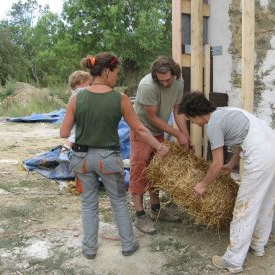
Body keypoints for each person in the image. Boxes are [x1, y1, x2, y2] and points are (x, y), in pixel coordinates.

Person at [60, 52, 169, 260]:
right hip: (108, 159)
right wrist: (160, 147)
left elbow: (64, 133)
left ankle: (89, 249)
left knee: (89, 203)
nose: (117, 77)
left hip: (82, 160)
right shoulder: (120, 99)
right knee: (118, 201)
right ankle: (128, 245)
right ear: (107, 71)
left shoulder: (76, 98)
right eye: (116, 73)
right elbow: (140, 129)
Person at [178, 92, 275, 274]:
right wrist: (232, 164)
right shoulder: (228, 111)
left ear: (196, 114)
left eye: (191, 119)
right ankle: (258, 245)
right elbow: (242, 138)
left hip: (262, 156)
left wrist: (203, 185)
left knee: (245, 206)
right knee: (267, 201)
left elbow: (216, 163)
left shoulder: (213, 124)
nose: (194, 123)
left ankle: (233, 260)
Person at [130, 56, 191, 235]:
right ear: (155, 76)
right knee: (140, 171)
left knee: (157, 170)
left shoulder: (179, 82)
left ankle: (156, 209)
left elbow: (177, 110)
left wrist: (185, 137)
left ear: (174, 74)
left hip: (159, 131)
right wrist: (176, 134)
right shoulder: (148, 85)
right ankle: (140, 215)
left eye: (168, 79)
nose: (165, 83)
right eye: (161, 80)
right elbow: (152, 117)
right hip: (142, 131)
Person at [57, 70, 92, 163]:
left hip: (77, 117)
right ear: (81, 82)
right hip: (78, 117)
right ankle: (64, 151)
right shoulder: (80, 92)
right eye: (89, 84)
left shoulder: (74, 92)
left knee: (75, 133)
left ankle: (65, 151)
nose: (90, 86)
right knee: (75, 133)